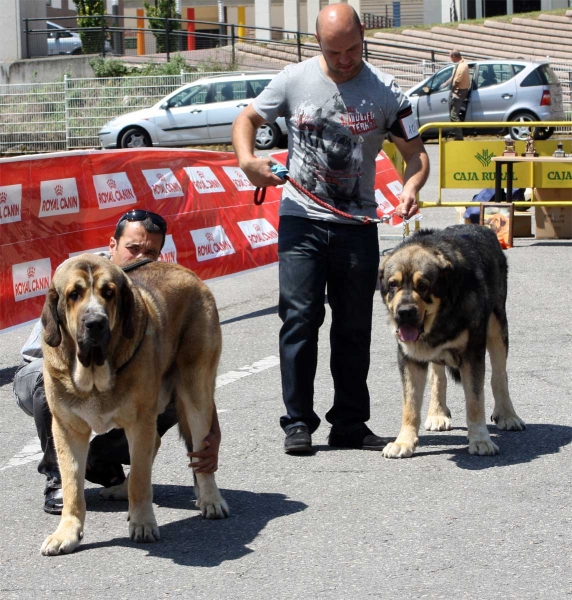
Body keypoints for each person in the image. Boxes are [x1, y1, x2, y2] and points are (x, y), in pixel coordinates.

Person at [232, 3, 429, 455]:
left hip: (356, 226)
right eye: (334, 51)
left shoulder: (386, 91)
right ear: (317, 41)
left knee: (355, 326)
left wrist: (412, 185)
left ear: (364, 33)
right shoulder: (292, 80)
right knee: (300, 319)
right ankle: (298, 422)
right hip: (301, 219)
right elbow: (246, 120)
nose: (345, 59)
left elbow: (416, 155)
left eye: (353, 49)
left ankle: (350, 424)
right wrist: (247, 163)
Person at [13, 209, 221, 514]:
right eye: (133, 248)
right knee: (47, 388)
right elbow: (45, 347)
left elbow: (199, 385)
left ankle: (105, 462)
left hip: (119, 379)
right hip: (50, 377)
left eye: (151, 252)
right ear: (112, 245)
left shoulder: (130, 301)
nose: (141, 256)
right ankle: (60, 479)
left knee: (165, 397)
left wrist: (211, 429)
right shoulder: (74, 277)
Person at [448, 49, 470, 140]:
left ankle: (459, 136)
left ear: (454, 56)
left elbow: (457, 81)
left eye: (450, 56)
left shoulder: (461, 67)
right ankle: (455, 133)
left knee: (454, 115)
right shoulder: (460, 64)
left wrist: (450, 89)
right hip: (459, 90)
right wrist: (445, 84)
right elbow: (453, 78)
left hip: (460, 92)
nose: (450, 58)